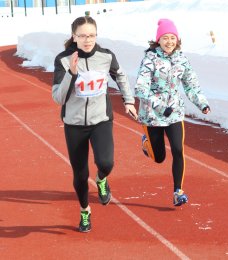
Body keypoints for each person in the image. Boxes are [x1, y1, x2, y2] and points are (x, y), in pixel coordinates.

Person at [52, 16, 137, 232]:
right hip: (74, 124)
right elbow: (58, 98)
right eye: (82, 36)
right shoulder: (63, 59)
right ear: (74, 36)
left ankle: (101, 180)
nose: (87, 40)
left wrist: (128, 100)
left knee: (106, 163)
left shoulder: (106, 56)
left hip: (101, 120)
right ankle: (85, 211)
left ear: (96, 35)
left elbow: (121, 76)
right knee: (80, 175)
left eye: (91, 35)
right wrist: (71, 73)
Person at [135, 18, 210, 207]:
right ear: (158, 40)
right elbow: (141, 88)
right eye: (165, 38)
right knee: (159, 158)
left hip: (175, 113)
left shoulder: (182, 60)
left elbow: (191, 85)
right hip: (152, 115)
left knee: (178, 150)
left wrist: (202, 104)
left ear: (177, 40)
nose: (169, 41)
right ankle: (147, 144)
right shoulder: (150, 59)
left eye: (172, 38)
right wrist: (160, 106)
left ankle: (178, 191)